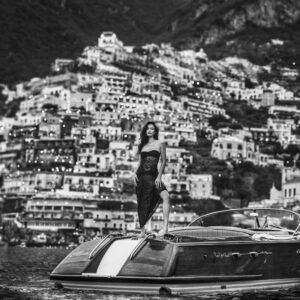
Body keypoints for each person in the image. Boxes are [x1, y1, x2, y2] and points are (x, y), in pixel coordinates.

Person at [134, 121, 170, 236]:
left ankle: (165, 228)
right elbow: (141, 161)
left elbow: (164, 161)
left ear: (155, 131)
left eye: (152, 129)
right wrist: (135, 173)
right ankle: (142, 231)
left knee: (166, 196)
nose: (149, 130)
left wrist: (159, 176)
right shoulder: (142, 145)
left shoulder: (160, 143)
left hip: (154, 176)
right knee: (143, 203)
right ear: (145, 131)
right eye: (148, 129)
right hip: (142, 176)